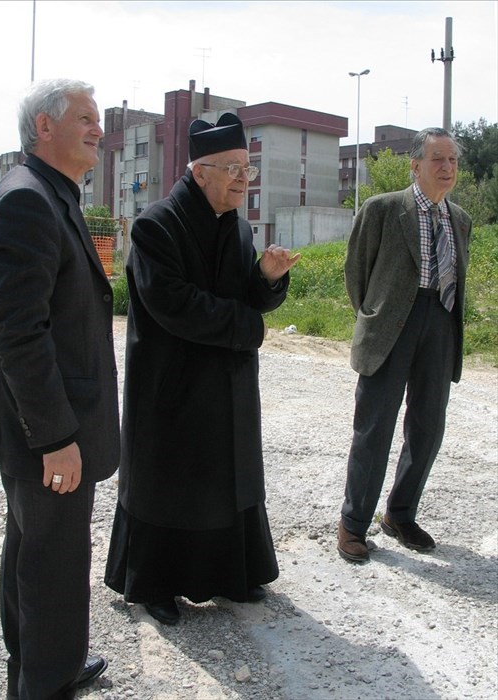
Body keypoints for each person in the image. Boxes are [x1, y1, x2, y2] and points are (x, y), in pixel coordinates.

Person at [104, 113, 300, 624]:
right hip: (172, 383)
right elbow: (174, 304)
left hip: (227, 383)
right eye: (232, 168)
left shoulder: (236, 226)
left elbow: (244, 294)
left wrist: (267, 278)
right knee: (171, 484)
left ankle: (228, 575)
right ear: (199, 172)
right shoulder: (155, 225)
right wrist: (248, 326)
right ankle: (156, 585)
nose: (242, 178)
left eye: (247, 169)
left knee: (226, 480)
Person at [0, 78, 121, 698]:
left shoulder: (50, 194)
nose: (98, 130)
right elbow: (19, 332)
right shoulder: (29, 198)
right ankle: (46, 681)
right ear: (44, 127)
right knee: (53, 558)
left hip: (40, 420)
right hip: (44, 426)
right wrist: (56, 437)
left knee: (35, 543)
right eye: (85, 117)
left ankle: (35, 662)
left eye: (99, 119)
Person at [337, 127, 472, 563]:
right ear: (415, 164)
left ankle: (399, 514)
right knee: (374, 427)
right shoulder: (383, 209)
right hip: (391, 325)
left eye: (452, 160)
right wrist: (373, 315)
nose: (446, 167)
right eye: (437, 159)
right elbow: (356, 271)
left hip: (441, 324)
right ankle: (353, 525)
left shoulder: (461, 220)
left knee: (428, 428)